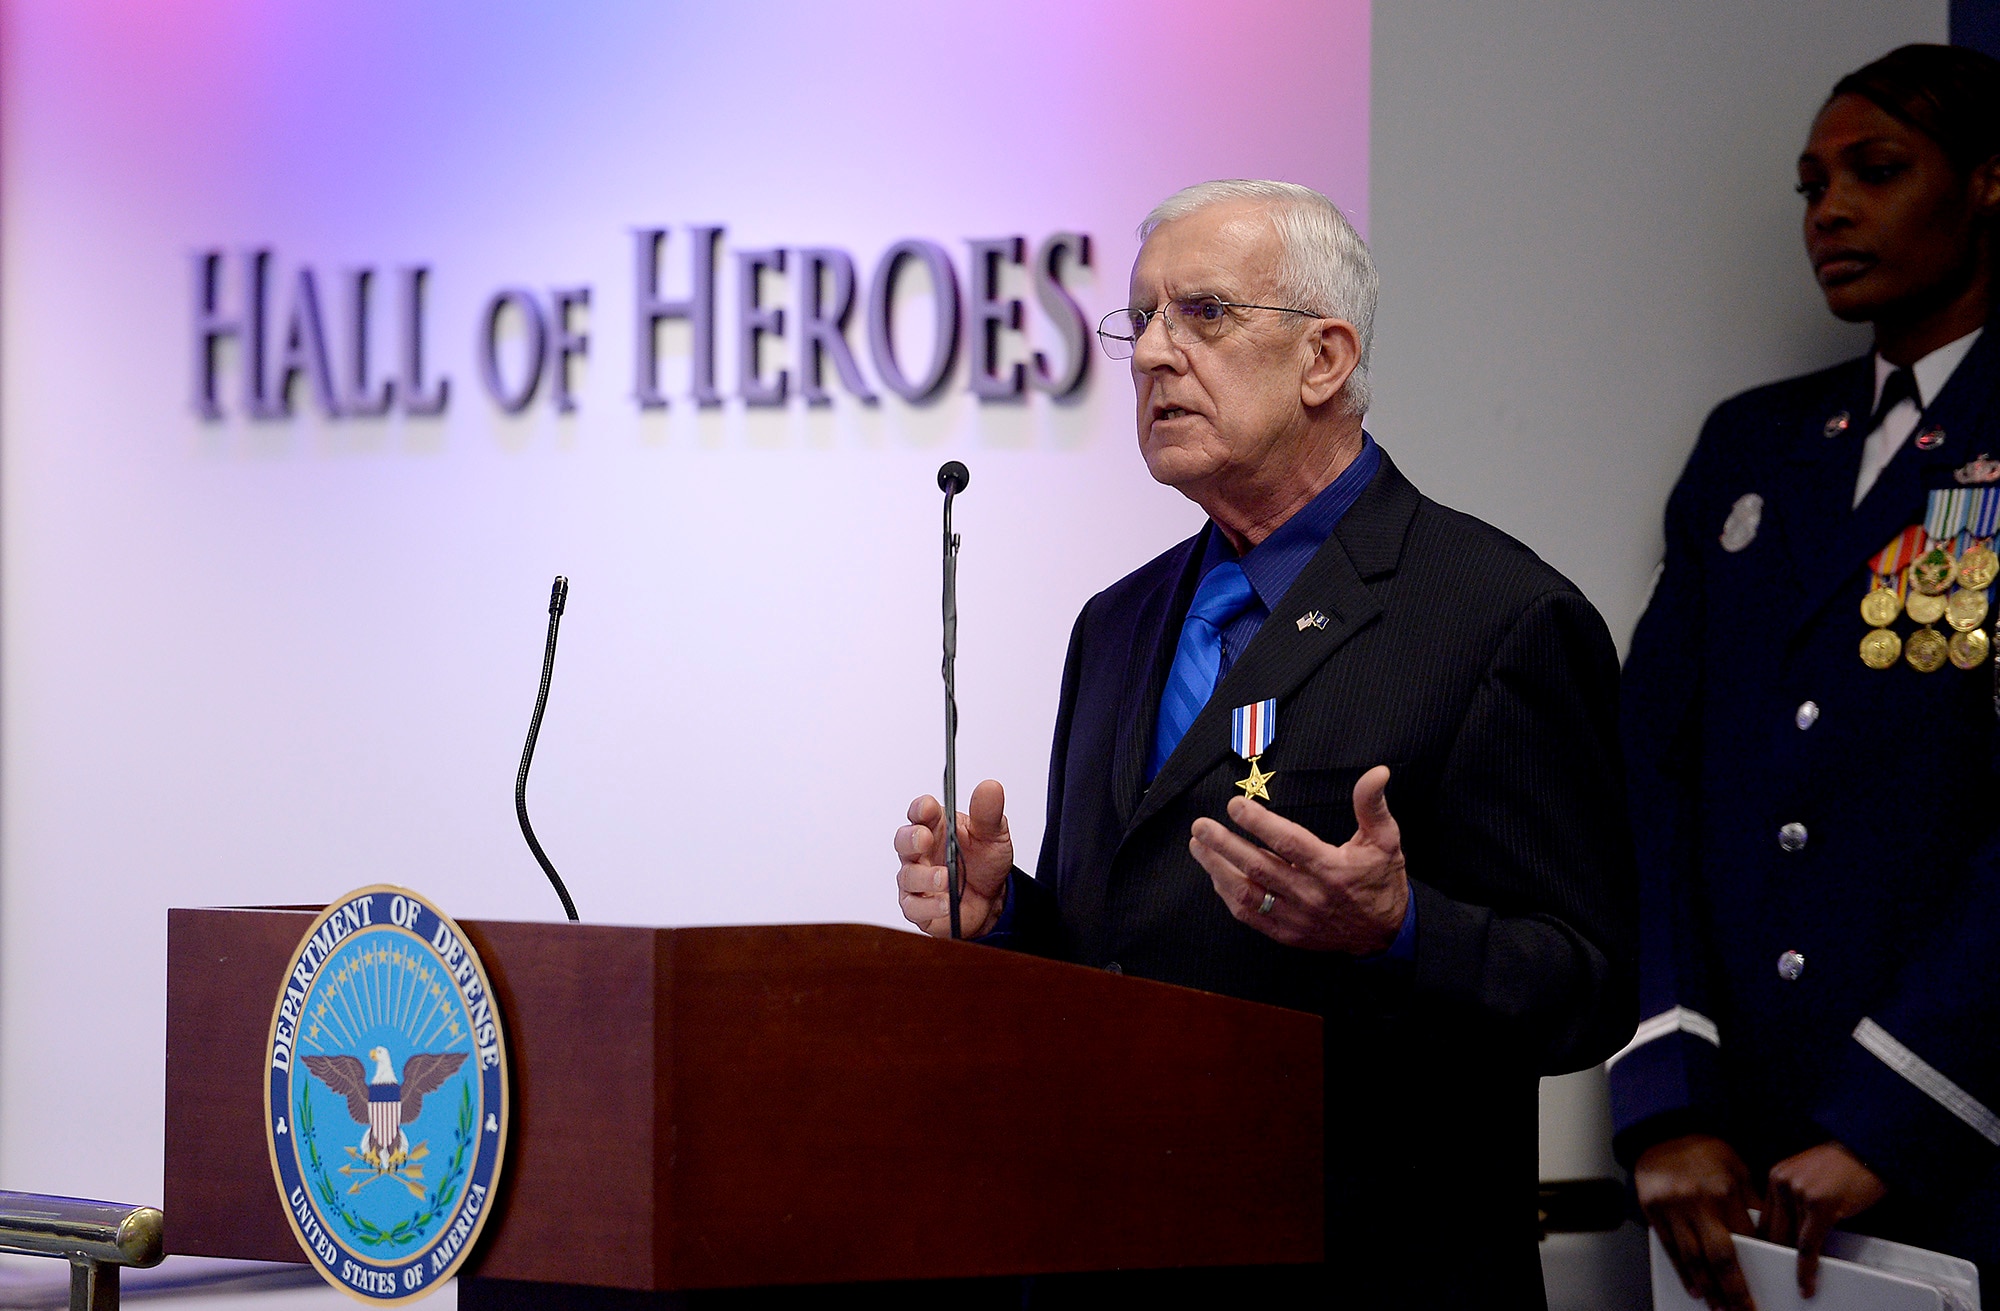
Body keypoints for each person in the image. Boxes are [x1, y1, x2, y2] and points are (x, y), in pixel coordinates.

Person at [893, 179, 1637, 1308]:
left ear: (1324, 358)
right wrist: (1008, 919)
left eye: (1198, 315)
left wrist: (1397, 930)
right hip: (1122, 1254)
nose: (1149, 356)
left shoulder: (1495, 617)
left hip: (1369, 1272)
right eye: (1137, 321)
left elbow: (1586, 988)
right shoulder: (1118, 621)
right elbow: (1125, 950)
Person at [1610, 44, 2000, 1311]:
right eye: (1808, 184)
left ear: (1987, 183)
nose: (1827, 210)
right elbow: (1650, 775)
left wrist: (1898, 1112)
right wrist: (1667, 1097)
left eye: (1874, 172)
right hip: (1732, 1165)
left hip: (1962, 1137)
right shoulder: (1752, 449)